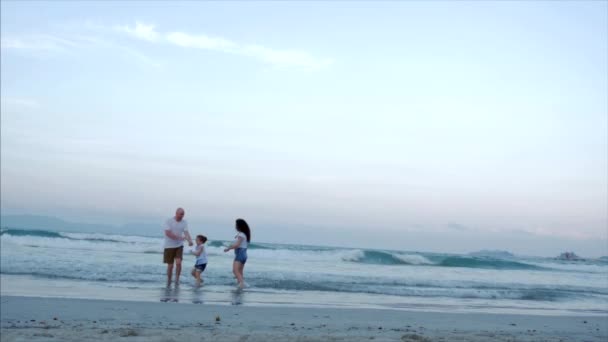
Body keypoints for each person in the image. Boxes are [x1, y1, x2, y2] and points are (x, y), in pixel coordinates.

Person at [163, 208, 193, 287]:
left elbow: (186, 232)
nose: (182, 216)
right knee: (170, 265)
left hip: (179, 245)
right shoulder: (169, 221)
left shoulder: (184, 222)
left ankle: (177, 279)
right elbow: (168, 233)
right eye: (180, 214)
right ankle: (169, 280)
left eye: (183, 214)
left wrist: (190, 240)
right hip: (169, 246)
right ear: (176, 213)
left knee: (179, 263)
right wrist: (179, 238)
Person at [224, 218, 251, 289]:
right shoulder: (244, 234)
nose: (235, 226)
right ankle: (240, 285)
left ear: (239, 226)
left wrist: (228, 248)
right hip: (243, 254)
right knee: (240, 271)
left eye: (236, 225)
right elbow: (240, 244)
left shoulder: (241, 235)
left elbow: (237, 245)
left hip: (240, 253)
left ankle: (242, 284)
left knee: (235, 270)